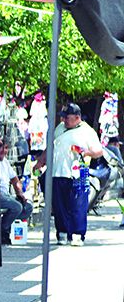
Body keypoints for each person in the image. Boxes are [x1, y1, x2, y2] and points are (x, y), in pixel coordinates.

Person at [50, 102, 103, 246]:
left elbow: (98, 151)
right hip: (58, 171)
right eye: (63, 117)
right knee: (59, 205)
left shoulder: (87, 131)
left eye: (67, 117)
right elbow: (52, 146)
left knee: (78, 205)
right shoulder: (60, 128)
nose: (64, 120)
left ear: (77, 117)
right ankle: (62, 232)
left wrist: (86, 152)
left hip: (78, 173)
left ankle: (78, 234)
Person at [0, 141, 33, 245]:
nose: (4, 151)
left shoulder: (5, 162)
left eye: (6, 148)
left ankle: (0, 230)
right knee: (16, 207)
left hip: (5, 196)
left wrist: (20, 193)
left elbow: (14, 179)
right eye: (1, 147)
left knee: (28, 207)